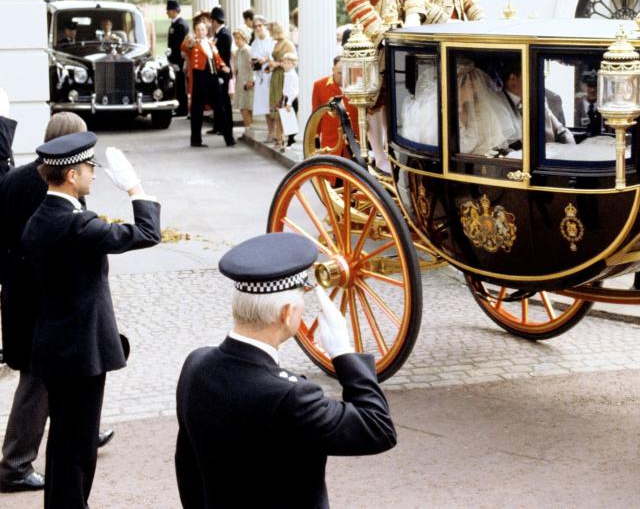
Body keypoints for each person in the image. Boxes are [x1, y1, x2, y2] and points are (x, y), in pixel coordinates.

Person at [174, 232, 397, 508]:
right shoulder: (292, 396)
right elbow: (378, 428)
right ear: (286, 313)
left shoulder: (196, 364)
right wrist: (344, 353)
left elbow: (186, 467)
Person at [22, 132, 161, 507]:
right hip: (80, 352)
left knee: (65, 441)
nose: (94, 175)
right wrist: (135, 188)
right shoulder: (77, 225)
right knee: (78, 445)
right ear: (71, 176)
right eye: (89, 168)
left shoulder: (39, 219)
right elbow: (148, 234)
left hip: (55, 346)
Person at [0, 114, 117, 495]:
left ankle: (80, 427)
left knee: (48, 380)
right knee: (37, 383)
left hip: (26, 296)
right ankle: (16, 463)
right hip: (43, 301)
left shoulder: (18, 179)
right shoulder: (52, 189)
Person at [183, 20, 235, 148]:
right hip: (200, 78)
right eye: (198, 30)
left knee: (220, 107)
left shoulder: (211, 43)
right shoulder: (193, 43)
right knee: (197, 110)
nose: (200, 32)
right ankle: (195, 140)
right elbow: (184, 47)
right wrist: (189, 41)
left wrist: (223, 66)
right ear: (195, 32)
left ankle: (229, 139)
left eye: (202, 30)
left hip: (213, 77)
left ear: (206, 31)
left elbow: (217, 58)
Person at [265, 21, 296, 149]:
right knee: (276, 106)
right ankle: (279, 138)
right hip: (276, 76)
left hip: (284, 76)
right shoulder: (277, 43)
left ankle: (284, 138)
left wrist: (278, 64)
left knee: (282, 106)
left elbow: (293, 59)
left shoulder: (287, 43)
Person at [209, 6, 234, 138]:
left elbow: (223, 56)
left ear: (215, 21)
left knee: (224, 101)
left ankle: (226, 126)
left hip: (222, 72)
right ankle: (218, 125)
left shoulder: (224, 35)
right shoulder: (219, 34)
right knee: (218, 100)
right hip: (217, 71)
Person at [166, 0, 190, 116]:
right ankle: (179, 107)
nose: (167, 12)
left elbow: (181, 45)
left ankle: (182, 109)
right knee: (177, 83)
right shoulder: (174, 24)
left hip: (179, 60)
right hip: (174, 58)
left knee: (181, 84)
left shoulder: (181, 25)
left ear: (174, 11)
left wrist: (177, 60)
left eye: (169, 10)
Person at [249, 15, 274, 123]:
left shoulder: (273, 40)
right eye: (255, 26)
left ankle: (277, 132)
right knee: (264, 105)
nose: (258, 28)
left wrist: (265, 59)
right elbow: (253, 57)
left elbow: (277, 55)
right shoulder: (254, 43)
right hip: (260, 76)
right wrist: (253, 63)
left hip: (272, 73)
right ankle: (270, 131)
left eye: (260, 25)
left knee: (273, 104)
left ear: (265, 26)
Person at [233, 29, 255, 129]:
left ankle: (249, 128)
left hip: (247, 82)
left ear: (244, 38)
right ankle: (247, 129)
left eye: (238, 38)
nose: (236, 41)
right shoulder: (237, 51)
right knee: (243, 107)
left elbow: (252, 67)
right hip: (240, 81)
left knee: (247, 107)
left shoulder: (248, 50)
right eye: (235, 38)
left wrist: (252, 80)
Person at [280, 51, 300, 149]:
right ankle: (289, 140)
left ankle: (291, 141)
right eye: (284, 62)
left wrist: (289, 102)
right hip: (287, 98)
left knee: (291, 121)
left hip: (291, 99)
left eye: (288, 63)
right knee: (287, 121)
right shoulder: (287, 74)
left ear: (294, 64)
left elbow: (294, 91)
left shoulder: (292, 75)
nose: (285, 65)